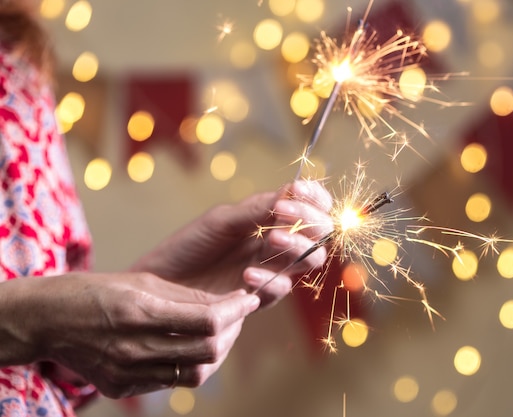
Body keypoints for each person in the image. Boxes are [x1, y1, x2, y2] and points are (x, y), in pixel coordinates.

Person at [0, 2, 333, 416]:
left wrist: (144, 301)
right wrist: (29, 320)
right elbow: (30, 320)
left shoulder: (18, 61)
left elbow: (38, 374)